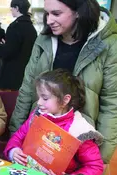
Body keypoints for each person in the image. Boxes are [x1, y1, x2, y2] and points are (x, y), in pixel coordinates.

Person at [9, 0, 117, 164]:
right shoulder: (43, 40)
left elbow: (111, 103)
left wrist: (101, 158)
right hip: (39, 137)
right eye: (47, 13)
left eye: (56, 13)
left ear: (78, 12)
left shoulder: (108, 44)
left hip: (80, 143)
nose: (49, 20)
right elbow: (27, 89)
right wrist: (15, 135)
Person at [4, 69, 104, 175]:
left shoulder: (80, 130)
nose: (39, 103)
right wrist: (13, 151)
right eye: (39, 97)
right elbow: (18, 136)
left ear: (65, 100)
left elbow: (94, 166)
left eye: (45, 98)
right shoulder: (37, 115)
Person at [0, 0, 37, 90]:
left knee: (9, 101)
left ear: (17, 8)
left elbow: (9, 51)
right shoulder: (31, 28)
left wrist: (0, 46)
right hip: (27, 71)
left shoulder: (14, 27)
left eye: (12, 9)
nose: (11, 11)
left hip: (12, 72)